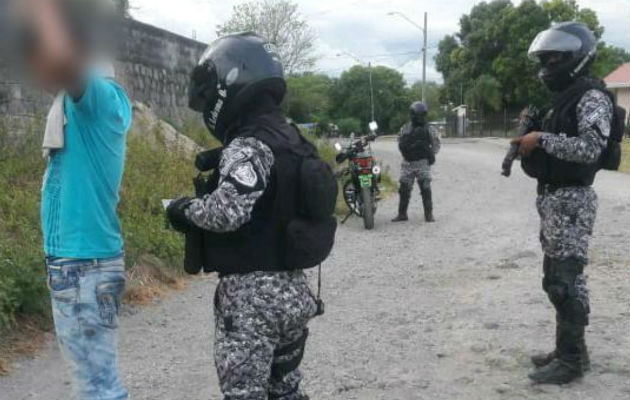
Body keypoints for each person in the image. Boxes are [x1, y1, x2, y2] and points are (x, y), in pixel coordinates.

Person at [167, 32, 337, 400]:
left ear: (226, 87)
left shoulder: (247, 144)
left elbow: (228, 211)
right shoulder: (293, 139)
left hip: (252, 301)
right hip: (295, 292)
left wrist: (181, 209)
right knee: (287, 391)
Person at [14, 0, 131, 399]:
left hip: (83, 268)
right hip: (82, 266)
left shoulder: (95, 102)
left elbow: (62, 59)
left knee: (99, 389)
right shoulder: (86, 109)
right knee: (98, 384)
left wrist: (42, 8)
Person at [512, 22, 621, 385]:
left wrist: (541, 138)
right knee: (554, 279)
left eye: (554, 58)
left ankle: (571, 361)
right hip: (554, 200)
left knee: (566, 282)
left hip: (573, 201)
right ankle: (571, 351)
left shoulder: (592, 97)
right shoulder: (567, 96)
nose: (547, 65)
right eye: (545, 59)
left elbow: (592, 147)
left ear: (576, 58)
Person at [392, 101, 441, 223]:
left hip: (421, 162)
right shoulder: (405, 128)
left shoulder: (429, 128)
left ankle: (429, 215)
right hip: (408, 163)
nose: (419, 117)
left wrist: (429, 155)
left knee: (425, 188)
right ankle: (402, 214)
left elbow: (436, 143)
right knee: (404, 189)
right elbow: (400, 142)